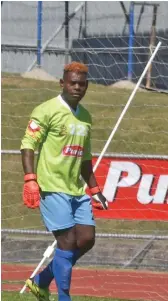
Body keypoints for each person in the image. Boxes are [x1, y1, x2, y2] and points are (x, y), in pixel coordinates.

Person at [22, 62, 109, 301]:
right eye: (72, 83)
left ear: (87, 86)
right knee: (68, 241)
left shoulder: (86, 118)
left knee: (87, 239)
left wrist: (95, 188)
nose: (77, 87)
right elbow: (28, 145)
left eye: (82, 84)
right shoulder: (46, 110)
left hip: (76, 190)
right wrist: (30, 179)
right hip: (51, 187)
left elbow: (85, 158)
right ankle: (64, 297)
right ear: (62, 83)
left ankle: (41, 280)